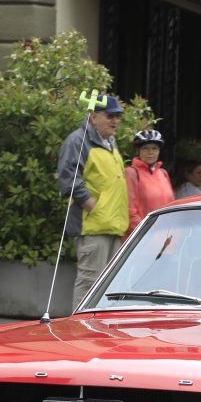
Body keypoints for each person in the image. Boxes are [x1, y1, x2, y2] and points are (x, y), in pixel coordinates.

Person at [57, 92, 129, 306]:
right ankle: (80, 325)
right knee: (89, 283)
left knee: (109, 287)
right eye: (110, 116)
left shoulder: (110, 142)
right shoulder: (78, 140)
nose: (115, 121)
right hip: (92, 226)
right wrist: (90, 203)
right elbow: (68, 176)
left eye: (118, 116)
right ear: (94, 116)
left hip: (113, 225)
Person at [126, 129, 174, 232]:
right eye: (145, 148)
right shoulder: (131, 173)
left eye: (154, 148)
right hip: (143, 235)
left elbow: (172, 206)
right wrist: (146, 233)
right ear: (138, 151)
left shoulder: (163, 173)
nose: (150, 152)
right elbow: (130, 212)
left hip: (165, 234)